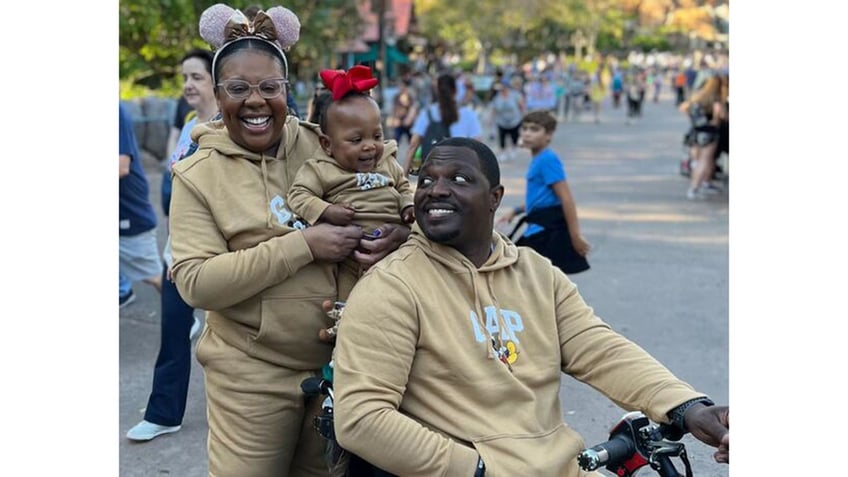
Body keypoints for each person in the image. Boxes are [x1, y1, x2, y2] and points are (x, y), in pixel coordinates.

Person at [332, 137, 730, 476]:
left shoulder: (536, 273)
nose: (435, 190)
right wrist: (475, 469)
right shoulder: (392, 286)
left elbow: (600, 349)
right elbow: (362, 419)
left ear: (495, 199)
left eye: (458, 179)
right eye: (426, 179)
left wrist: (687, 408)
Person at [168, 5, 410, 475]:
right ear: (218, 95)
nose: (254, 101)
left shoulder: (328, 143)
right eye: (237, 89)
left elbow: (397, 184)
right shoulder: (196, 174)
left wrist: (400, 232)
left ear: (287, 91)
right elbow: (196, 283)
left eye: (268, 87)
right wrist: (304, 245)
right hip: (250, 378)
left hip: (343, 372)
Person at [126, 48, 216, 442]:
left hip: (220, 254)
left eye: (196, 77)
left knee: (234, 341)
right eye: (185, 77)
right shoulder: (187, 124)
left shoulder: (228, 128)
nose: (187, 85)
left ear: (217, 80)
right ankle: (165, 411)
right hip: (177, 249)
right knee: (174, 329)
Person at [287, 65, 415, 301]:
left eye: (377, 136)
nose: (369, 146)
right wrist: (327, 211)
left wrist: (407, 206)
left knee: (399, 299)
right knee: (348, 304)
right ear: (327, 144)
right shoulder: (321, 168)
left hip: (395, 251)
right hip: (350, 258)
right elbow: (298, 195)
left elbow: (403, 186)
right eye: (356, 140)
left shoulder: (387, 161)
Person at [497, 110, 591, 275]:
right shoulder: (538, 158)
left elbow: (566, 198)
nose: (527, 133)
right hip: (537, 228)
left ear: (548, 135)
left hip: (545, 232)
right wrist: (516, 210)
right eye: (525, 128)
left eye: (534, 129)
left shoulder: (548, 160)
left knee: (520, 275)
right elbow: (541, 198)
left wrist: (575, 236)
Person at [119, 103, 162, 307]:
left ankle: (186, 318)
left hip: (129, 212)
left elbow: (121, 167)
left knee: (154, 276)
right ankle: (122, 292)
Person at [402, 72, 482, 176]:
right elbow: (478, 146)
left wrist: (404, 176)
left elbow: (413, 145)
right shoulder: (468, 114)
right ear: (456, 91)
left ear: (437, 91)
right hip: (460, 171)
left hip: (433, 171)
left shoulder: (427, 113)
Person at [679, 75, 727, 200]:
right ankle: (695, 187)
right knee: (705, 161)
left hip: (697, 132)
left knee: (702, 160)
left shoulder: (698, 98)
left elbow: (683, 107)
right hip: (710, 133)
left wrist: (696, 120)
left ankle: (703, 183)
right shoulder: (715, 101)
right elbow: (718, 119)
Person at [489, 82, 525, 161]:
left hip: (514, 120)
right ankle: (503, 153)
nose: (502, 90)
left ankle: (513, 150)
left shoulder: (515, 95)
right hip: (502, 121)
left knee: (514, 136)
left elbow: (521, 106)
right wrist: (491, 120)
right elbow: (494, 109)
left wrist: (524, 116)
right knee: (502, 138)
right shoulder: (497, 97)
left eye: (503, 88)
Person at [387, 78, 418, 147]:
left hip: (409, 123)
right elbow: (393, 109)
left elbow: (413, 108)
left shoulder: (410, 96)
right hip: (399, 122)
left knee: (412, 142)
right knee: (395, 141)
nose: (400, 87)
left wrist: (409, 118)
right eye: (399, 86)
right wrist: (392, 118)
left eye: (402, 86)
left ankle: (413, 156)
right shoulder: (396, 97)